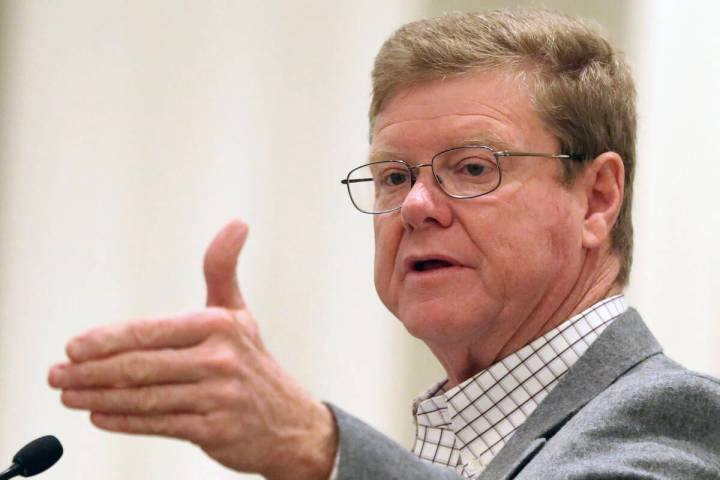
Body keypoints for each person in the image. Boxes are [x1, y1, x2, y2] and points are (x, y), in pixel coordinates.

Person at [48, 8, 720, 480]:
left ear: (596, 198)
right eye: (395, 176)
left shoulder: (675, 420)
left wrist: (313, 445)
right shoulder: (455, 442)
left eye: (472, 168)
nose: (418, 205)